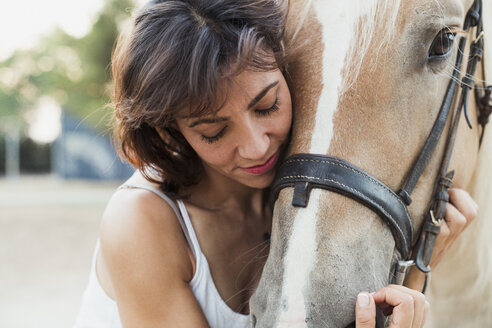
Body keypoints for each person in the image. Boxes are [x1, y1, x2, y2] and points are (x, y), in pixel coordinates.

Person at [74, 0, 478, 327]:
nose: (255, 147)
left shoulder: (302, 192)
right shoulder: (139, 220)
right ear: (170, 131)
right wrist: (415, 276)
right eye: (214, 132)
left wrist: (416, 262)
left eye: (268, 106)